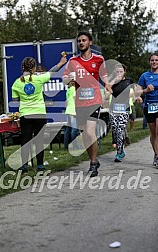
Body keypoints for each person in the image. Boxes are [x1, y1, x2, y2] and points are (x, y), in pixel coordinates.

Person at [63, 31, 112, 177]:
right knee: (84, 134)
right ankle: (94, 160)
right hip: (80, 102)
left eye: (83, 40)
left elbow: (103, 75)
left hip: (94, 101)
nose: (81, 43)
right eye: (79, 41)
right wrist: (69, 81)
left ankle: (92, 163)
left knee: (90, 132)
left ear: (90, 42)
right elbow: (65, 78)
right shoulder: (72, 61)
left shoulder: (98, 59)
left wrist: (107, 85)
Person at [12, 56, 67, 173]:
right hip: (39, 114)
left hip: (25, 114)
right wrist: (61, 63)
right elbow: (52, 71)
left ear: (22, 68)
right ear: (34, 68)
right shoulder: (39, 79)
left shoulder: (17, 83)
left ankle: (25, 166)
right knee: (39, 140)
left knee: (25, 140)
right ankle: (40, 165)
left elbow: (15, 100)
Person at [109, 63, 133, 162]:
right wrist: (115, 79)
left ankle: (119, 153)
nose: (119, 73)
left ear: (125, 72)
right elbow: (108, 89)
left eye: (121, 71)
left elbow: (133, 91)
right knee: (115, 129)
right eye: (117, 71)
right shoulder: (112, 81)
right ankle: (121, 148)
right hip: (113, 109)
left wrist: (137, 97)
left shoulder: (129, 81)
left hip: (124, 109)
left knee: (120, 130)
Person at [137, 53, 158, 167]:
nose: (154, 62)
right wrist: (145, 91)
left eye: (156, 60)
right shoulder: (144, 76)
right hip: (149, 106)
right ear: (149, 62)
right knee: (153, 132)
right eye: (152, 60)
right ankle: (156, 154)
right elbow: (137, 92)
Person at [64, 80, 79, 150]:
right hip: (73, 111)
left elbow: (66, 102)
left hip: (68, 111)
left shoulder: (68, 90)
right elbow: (75, 99)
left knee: (68, 129)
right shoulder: (73, 89)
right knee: (74, 129)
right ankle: (74, 146)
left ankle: (66, 145)